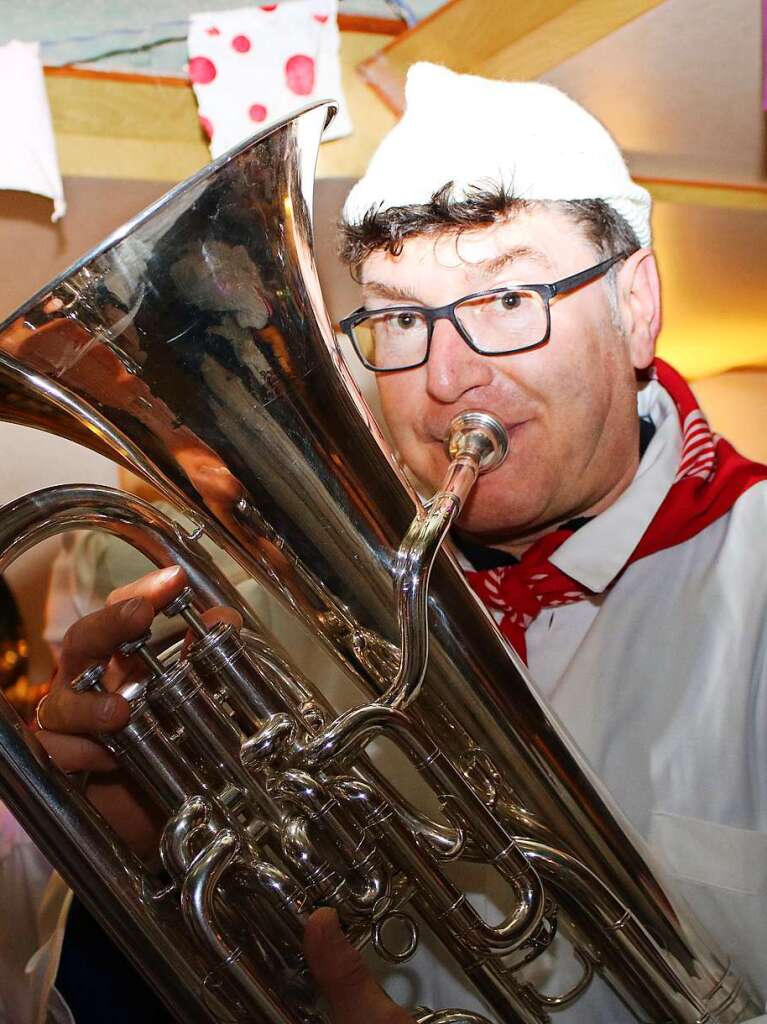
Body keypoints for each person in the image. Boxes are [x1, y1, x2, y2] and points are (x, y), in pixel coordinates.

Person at [24, 62, 767, 1022]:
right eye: (402, 317)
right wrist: (149, 847)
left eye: (507, 300)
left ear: (634, 304)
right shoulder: (288, 623)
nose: (448, 378)